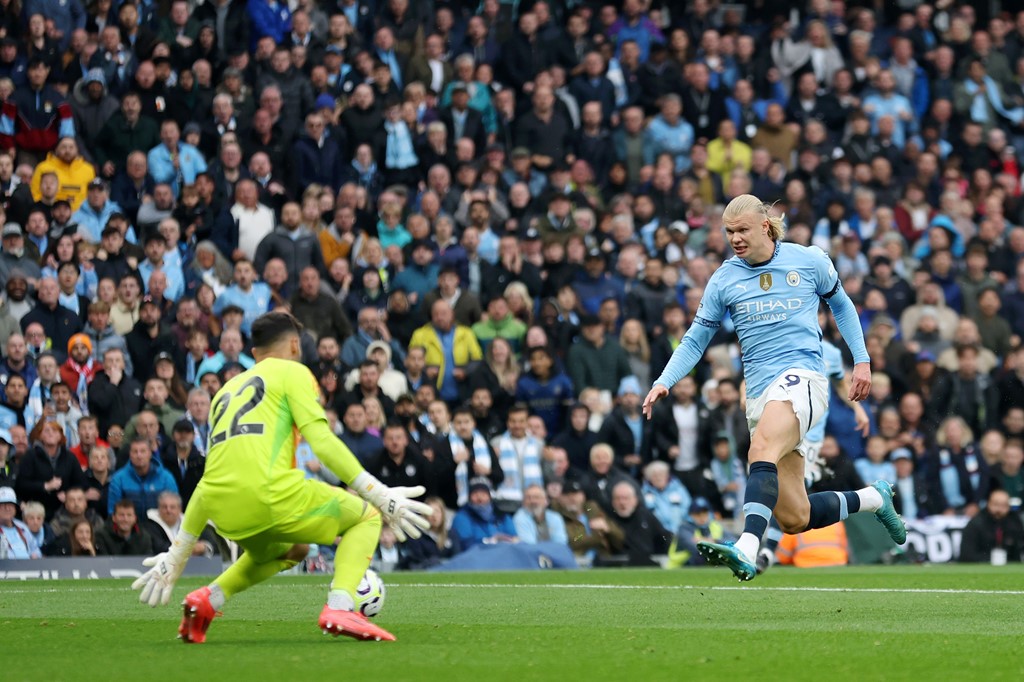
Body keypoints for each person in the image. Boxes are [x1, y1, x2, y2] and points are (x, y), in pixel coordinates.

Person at [642, 194, 905, 581]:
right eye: (729, 232)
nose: (735, 239)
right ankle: (873, 498)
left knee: (759, 449)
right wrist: (665, 381)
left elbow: (843, 306)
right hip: (761, 394)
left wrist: (861, 359)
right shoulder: (724, 278)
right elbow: (696, 340)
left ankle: (746, 546)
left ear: (764, 225)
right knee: (795, 516)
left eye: (742, 230)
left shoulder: (808, 259)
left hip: (804, 379)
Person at [130, 311, 431, 644]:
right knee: (367, 517)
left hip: (224, 512)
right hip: (269, 495)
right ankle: (341, 606)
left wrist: (177, 554)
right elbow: (322, 441)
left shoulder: (224, 393)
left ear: (254, 352)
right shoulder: (293, 372)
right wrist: (377, 491)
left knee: (294, 550)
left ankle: (208, 599)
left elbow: (210, 477)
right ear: (293, 344)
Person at [108, 436, 179, 518]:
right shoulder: (118, 479)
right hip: (129, 528)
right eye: (135, 452)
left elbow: (175, 508)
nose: (139, 455)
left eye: (143, 451)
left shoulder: (166, 478)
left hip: (159, 527)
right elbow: (112, 512)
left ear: (150, 453)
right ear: (130, 454)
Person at [959, 489, 1024, 563]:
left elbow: (1019, 551)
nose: (999, 509)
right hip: (981, 565)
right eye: (996, 504)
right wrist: (991, 559)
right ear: (988, 503)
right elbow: (966, 554)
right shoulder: (976, 523)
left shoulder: (1015, 523)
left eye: (1004, 505)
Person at [0, 486, 42, 559]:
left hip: (28, 568)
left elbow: (35, 549)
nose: (7, 508)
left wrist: (35, 556)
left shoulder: (22, 527)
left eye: (10, 504)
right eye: (3, 505)